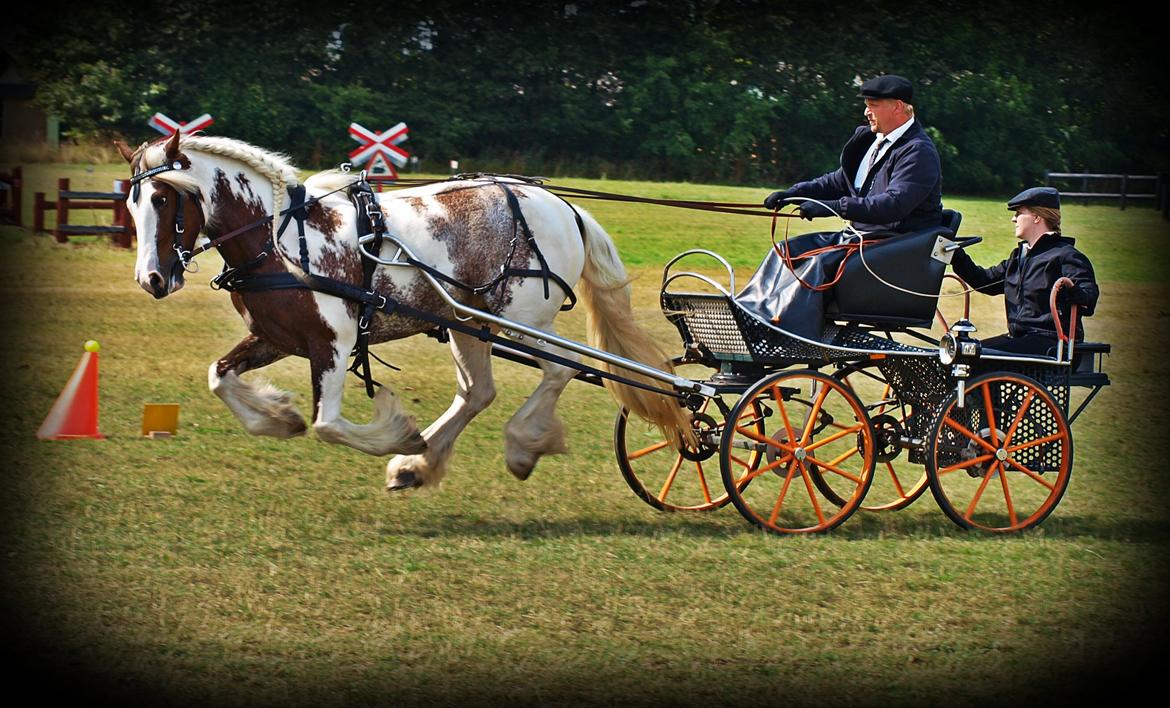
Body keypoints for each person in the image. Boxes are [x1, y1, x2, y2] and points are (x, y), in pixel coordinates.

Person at [763, 74, 943, 233]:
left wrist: (833, 207)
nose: (866, 112)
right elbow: (837, 182)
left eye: (873, 105)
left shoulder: (918, 151)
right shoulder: (869, 138)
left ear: (897, 106)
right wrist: (793, 194)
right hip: (861, 239)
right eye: (866, 105)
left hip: (896, 243)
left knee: (818, 266)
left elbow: (893, 205)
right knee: (789, 252)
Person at [949, 186, 1098, 356]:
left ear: (1036, 217)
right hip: (1020, 340)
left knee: (973, 355)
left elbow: (1088, 299)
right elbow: (984, 281)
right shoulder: (1018, 258)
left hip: (1052, 343)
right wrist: (954, 252)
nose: (1014, 219)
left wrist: (1071, 290)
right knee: (961, 353)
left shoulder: (1066, 256)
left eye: (1019, 213)